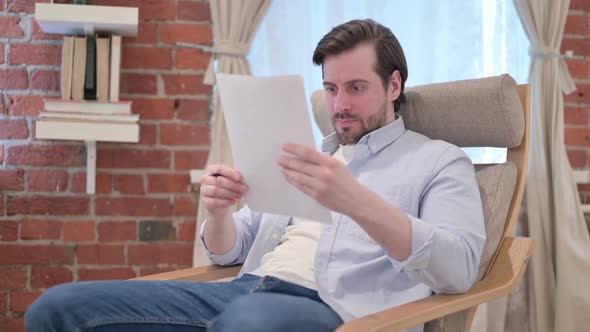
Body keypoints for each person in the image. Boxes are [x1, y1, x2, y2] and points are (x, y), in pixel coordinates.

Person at [25, 19, 485, 332]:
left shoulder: (439, 161)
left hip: (335, 310)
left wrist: (354, 200)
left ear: (394, 85)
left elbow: (458, 268)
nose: (339, 104)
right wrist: (220, 210)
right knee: (56, 310)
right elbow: (231, 250)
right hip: (243, 290)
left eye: (356, 88)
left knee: (249, 322)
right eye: (330, 88)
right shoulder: (307, 154)